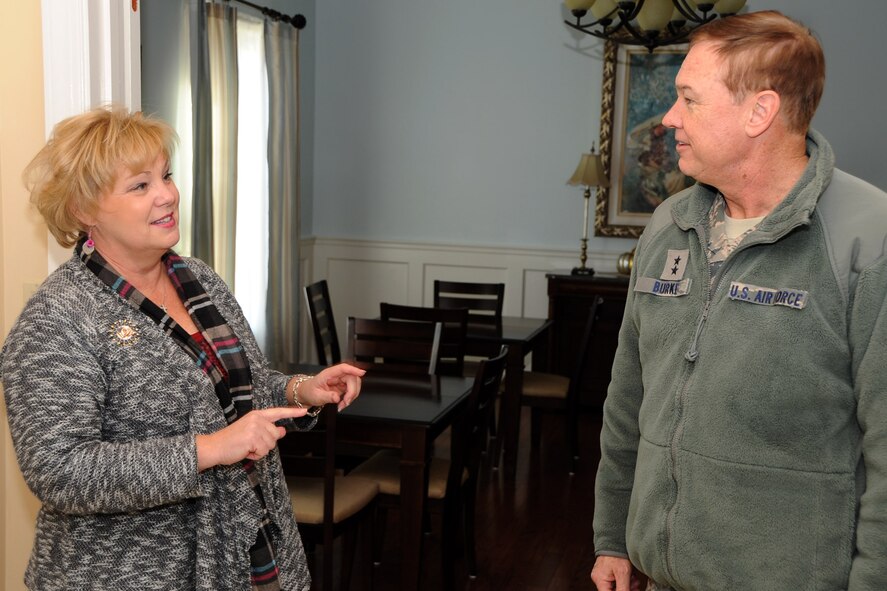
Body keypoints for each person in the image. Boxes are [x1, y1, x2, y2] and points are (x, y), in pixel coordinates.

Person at [0, 106, 366, 591]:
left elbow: (241, 390)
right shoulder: (56, 319)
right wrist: (211, 449)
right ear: (83, 210)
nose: (168, 194)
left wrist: (302, 390)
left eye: (166, 176)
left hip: (247, 547)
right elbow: (60, 472)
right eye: (140, 185)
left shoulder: (199, 280)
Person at [590, 11, 887, 591]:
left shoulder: (868, 238)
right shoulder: (668, 224)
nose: (669, 117)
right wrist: (614, 538)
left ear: (760, 112)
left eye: (689, 99)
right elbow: (628, 398)